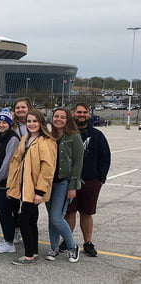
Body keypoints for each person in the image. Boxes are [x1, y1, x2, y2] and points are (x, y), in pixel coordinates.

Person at [7, 109, 57, 265]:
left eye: (35, 121)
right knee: (31, 221)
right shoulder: (25, 139)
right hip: (22, 187)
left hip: (34, 189)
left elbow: (48, 168)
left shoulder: (46, 141)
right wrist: (11, 185)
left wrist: (40, 191)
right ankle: (34, 251)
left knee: (23, 220)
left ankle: (28, 255)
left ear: (41, 122)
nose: (32, 124)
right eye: (29, 121)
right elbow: (15, 162)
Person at [62, 103, 111, 257]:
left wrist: (100, 179)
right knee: (69, 213)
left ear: (89, 114)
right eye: (78, 112)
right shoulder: (65, 134)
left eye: (84, 112)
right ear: (72, 114)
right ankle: (67, 240)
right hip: (69, 182)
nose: (81, 115)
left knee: (86, 213)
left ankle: (87, 242)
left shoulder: (97, 135)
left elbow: (105, 158)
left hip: (90, 181)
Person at [45, 107, 83, 263]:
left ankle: (72, 246)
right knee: (51, 218)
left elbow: (78, 162)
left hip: (63, 183)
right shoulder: (48, 136)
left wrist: (73, 185)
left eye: (62, 117)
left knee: (56, 217)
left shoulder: (73, 137)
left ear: (68, 119)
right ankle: (54, 248)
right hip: (48, 183)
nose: (58, 119)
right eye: (56, 116)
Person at [0, 108, 20, 254]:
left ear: (9, 124)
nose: (1, 125)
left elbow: (8, 163)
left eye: (4, 122)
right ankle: (7, 237)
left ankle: (9, 242)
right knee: (2, 213)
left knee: (6, 213)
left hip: (4, 184)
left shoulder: (12, 138)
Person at [9, 97, 33, 244]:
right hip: (13, 166)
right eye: (18, 108)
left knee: (27, 202)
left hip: (29, 167)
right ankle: (17, 229)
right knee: (13, 202)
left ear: (29, 108)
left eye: (23, 107)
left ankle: (28, 228)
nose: (20, 110)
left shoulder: (34, 123)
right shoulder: (12, 125)